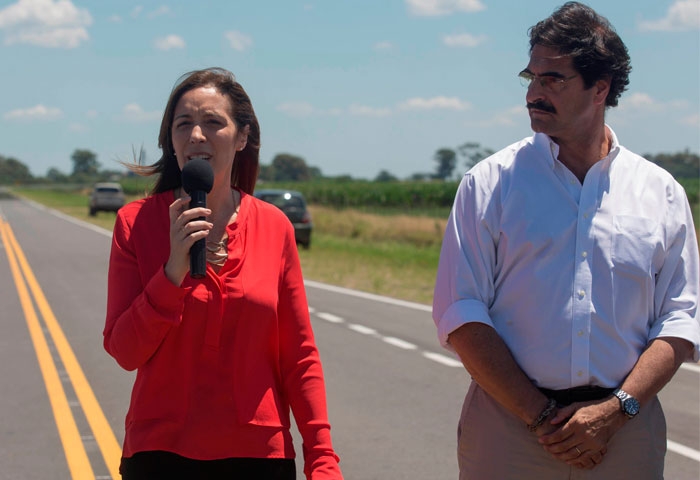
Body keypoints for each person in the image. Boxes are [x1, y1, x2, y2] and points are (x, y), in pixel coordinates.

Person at [432, 2, 699, 479]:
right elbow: (461, 311)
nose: (533, 93)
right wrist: (539, 416)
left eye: (552, 79)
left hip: (625, 432)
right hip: (509, 430)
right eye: (530, 77)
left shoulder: (661, 193)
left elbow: (680, 317)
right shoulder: (489, 184)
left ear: (601, 89)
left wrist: (617, 411)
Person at [103, 67, 343, 480]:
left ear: (243, 137)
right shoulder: (135, 223)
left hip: (259, 454)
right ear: (171, 140)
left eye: (213, 123)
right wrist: (172, 272)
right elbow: (124, 352)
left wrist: (322, 459)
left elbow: (299, 356)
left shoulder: (275, 227)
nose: (197, 135)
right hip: (159, 454)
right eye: (184, 125)